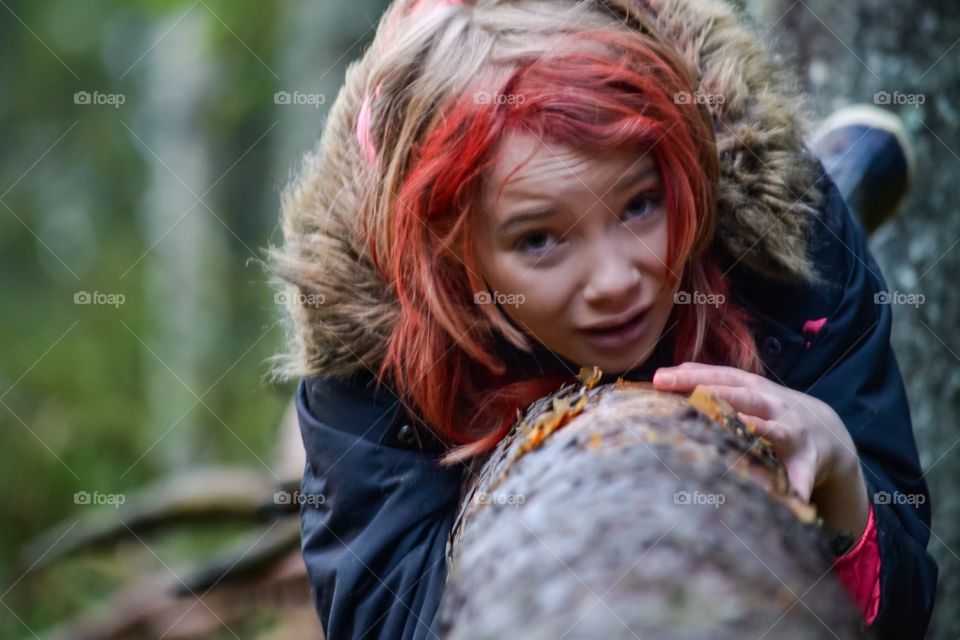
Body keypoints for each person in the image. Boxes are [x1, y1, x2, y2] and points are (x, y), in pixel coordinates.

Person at [268, 1, 937, 638]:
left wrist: (846, 478)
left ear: (687, 168)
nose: (616, 281)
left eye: (641, 204)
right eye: (539, 239)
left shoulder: (784, 244)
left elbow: (905, 606)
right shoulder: (371, 351)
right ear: (449, 250)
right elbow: (384, 621)